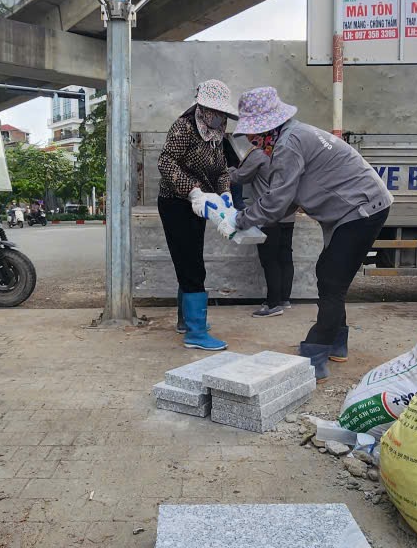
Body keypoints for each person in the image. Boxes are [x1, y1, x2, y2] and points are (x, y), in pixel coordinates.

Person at [228, 87, 392, 380]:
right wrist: (257, 216)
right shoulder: (295, 135)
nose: (251, 139)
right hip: (356, 208)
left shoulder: (288, 144)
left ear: (267, 129)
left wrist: (239, 219)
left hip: (362, 209)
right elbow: (288, 197)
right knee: (329, 275)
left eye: (253, 133)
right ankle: (336, 343)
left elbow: (277, 201)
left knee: (331, 279)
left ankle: (315, 353)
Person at [158, 79, 238, 350]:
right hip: (176, 203)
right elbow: (165, 162)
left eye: (222, 113)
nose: (220, 117)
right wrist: (193, 191)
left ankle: (186, 321)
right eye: (216, 111)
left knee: (190, 260)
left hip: (202, 205)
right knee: (191, 266)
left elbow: (222, 169)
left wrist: (225, 193)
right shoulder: (184, 127)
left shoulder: (217, 133)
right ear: (202, 108)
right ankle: (195, 332)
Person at [232, 143, 294, 317]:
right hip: (288, 213)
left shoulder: (259, 155)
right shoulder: (287, 151)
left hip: (269, 214)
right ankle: (284, 299)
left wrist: (227, 170)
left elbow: (239, 177)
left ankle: (273, 305)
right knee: (285, 256)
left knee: (270, 259)